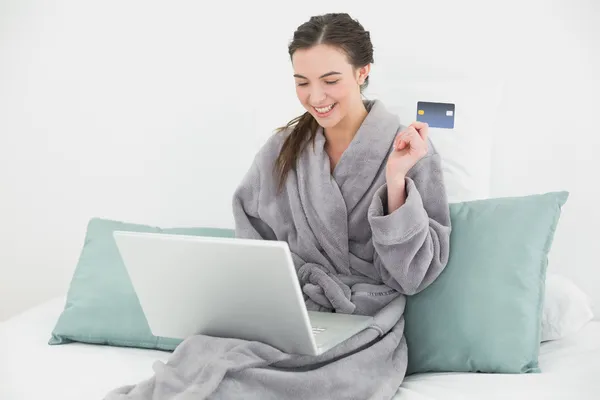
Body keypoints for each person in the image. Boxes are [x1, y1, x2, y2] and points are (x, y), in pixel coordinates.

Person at [105, 13, 451, 400]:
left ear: (362, 71)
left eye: (330, 80)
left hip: (364, 326)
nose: (315, 98)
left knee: (238, 387)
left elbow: (411, 277)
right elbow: (253, 248)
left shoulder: (408, 150)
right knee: (199, 365)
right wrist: (271, 303)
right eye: (302, 83)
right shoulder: (281, 151)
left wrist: (395, 181)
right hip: (284, 316)